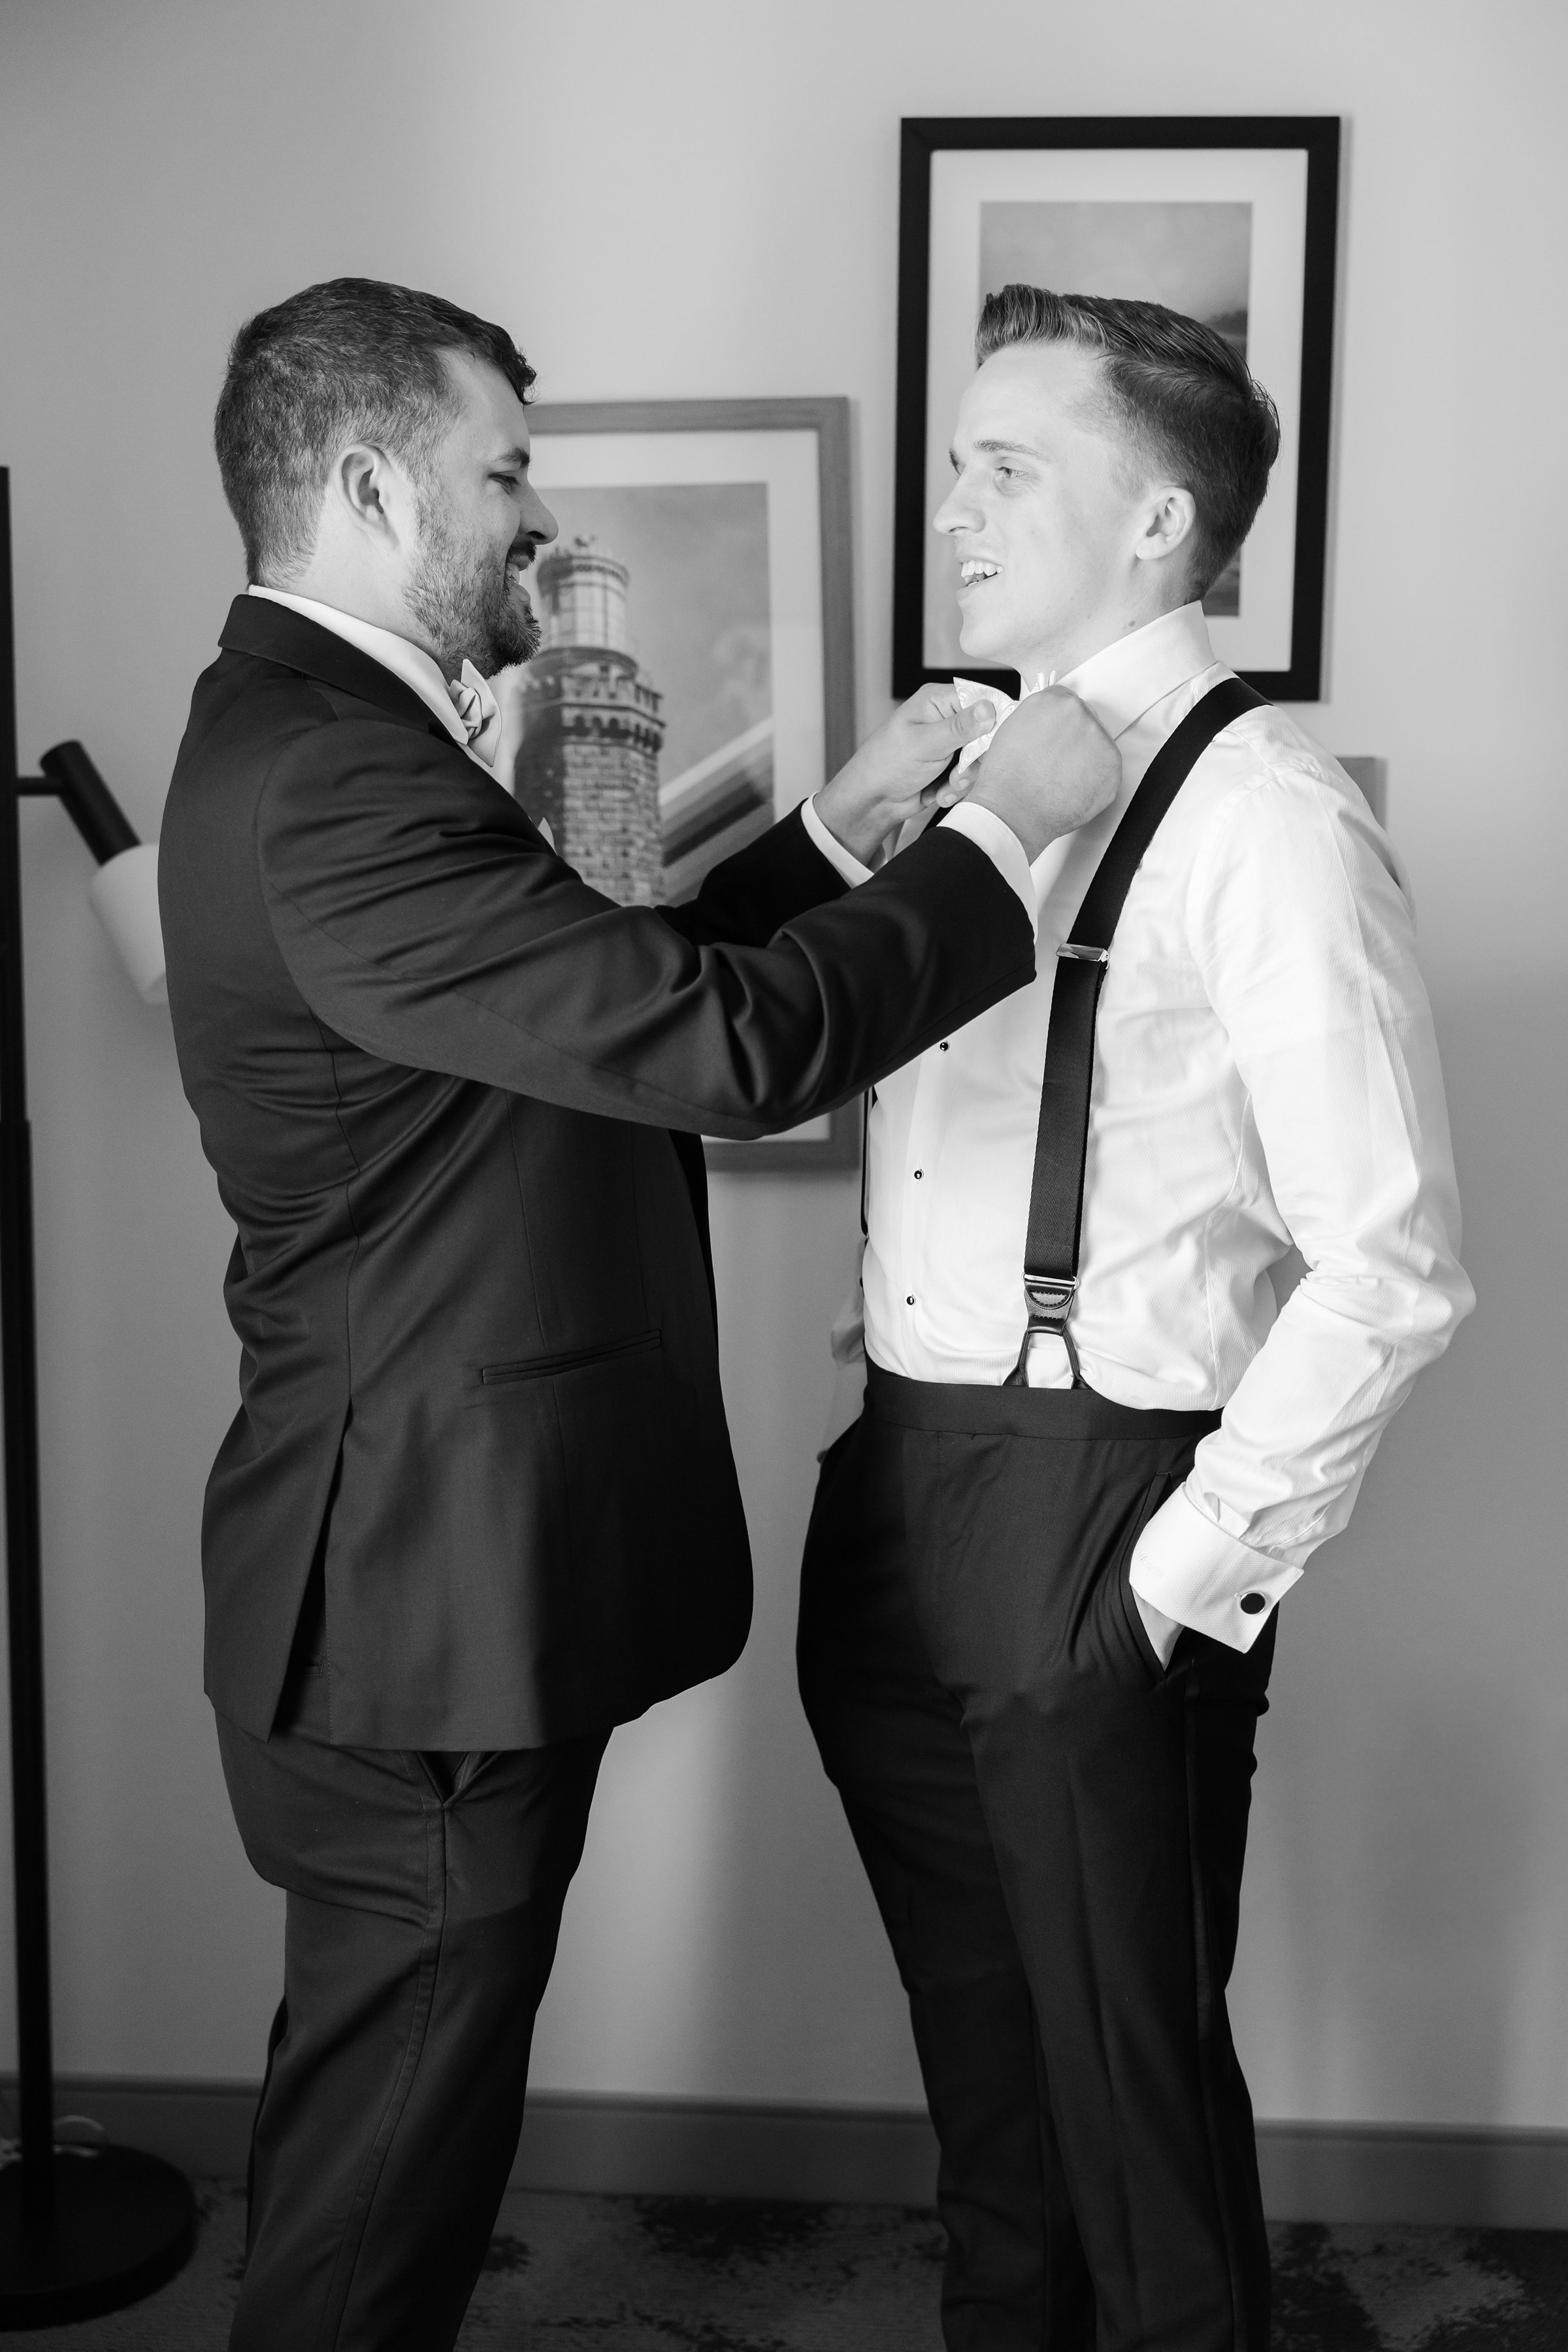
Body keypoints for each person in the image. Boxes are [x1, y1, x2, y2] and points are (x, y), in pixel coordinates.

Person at [157, 275, 1122, 2352]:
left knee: (403, 2137)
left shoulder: (323, 742)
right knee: (371, 2200)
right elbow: (726, 1052)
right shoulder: (334, 778)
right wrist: (993, 839)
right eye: (499, 471)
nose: (530, 515)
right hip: (416, 1610)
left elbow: (585, 1006)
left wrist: (835, 835)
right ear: (358, 482)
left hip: (449, 1592)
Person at [796, 286, 1474, 2352]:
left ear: (1164, 521)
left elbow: (1394, 1255)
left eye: (1012, 463)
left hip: (1097, 1514)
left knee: (1131, 2088)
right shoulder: (971, 769)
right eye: (958, 461)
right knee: (988, 2078)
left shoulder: (1267, 811)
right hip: (901, 1489)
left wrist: (1173, 1579)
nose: (957, 503)